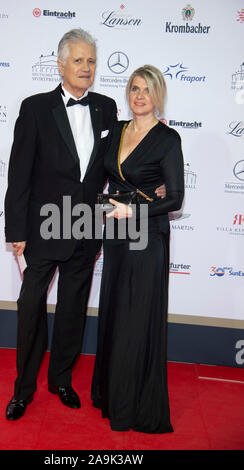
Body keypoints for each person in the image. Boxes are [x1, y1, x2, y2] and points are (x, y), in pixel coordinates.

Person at [4, 29, 165, 421]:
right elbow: (18, 174)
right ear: (60, 63)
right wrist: (16, 232)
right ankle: (23, 390)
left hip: (85, 226)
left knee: (74, 308)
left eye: (91, 61)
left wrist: (150, 189)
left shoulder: (107, 108)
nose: (86, 68)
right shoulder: (35, 108)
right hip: (43, 226)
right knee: (31, 309)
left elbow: (119, 167)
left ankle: (60, 380)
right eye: (78, 60)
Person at [91, 65, 184, 433]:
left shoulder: (167, 139)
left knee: (135, 318)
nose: (139, 95)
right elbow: (104, 178)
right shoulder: (116, 130)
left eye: (147, 89)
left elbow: (175, 198)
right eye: (134, 88)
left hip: (147, 239)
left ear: (157, 96)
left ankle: (134, 406)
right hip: (116, 236)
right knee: (115, 311)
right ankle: (112, 396)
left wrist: (136, 209)